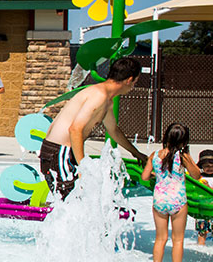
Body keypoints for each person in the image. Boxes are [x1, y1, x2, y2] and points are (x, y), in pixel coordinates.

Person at [39, 56, 144, 200]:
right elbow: (75, 129)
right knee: (73, 203)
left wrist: (136, 153)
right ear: (129, 80)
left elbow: (114, 130)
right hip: (59, 152)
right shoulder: (99, 95)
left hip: (61, 153)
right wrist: (83, 168)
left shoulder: (106, 99)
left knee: (79, 203)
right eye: (135, 82)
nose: (133, 87)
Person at [141, 123, 201, 262]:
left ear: (166, 137)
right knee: (178, 239)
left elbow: (144, 177)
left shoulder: (155, 155)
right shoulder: (183, 156)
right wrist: (187, 159)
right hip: (178, 201)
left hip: (159, 200)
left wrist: (158, 175)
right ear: (184, 141)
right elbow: (197, 175)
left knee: (160, 238)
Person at [192, 149, 213, 248]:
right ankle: (201, 243)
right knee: (202, 225)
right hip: (203, 205)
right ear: (201, 166)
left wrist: (209, 188)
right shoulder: (199, 178)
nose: (210, 169)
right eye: (207, 166)